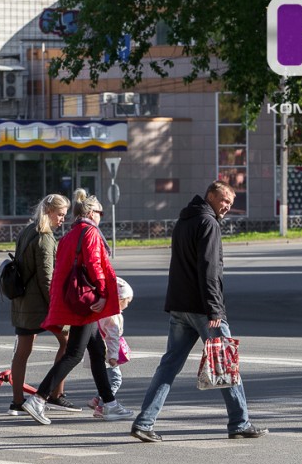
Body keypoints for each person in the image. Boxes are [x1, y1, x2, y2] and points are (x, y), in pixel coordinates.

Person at [130, 181, 268, 442]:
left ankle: (144, 422)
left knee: (169, 365)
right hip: (204, 309)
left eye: (230, 203)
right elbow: (209, 270)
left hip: (180, 306)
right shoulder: (208, 223)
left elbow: (180, 265)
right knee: (226, 363)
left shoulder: (184, 220)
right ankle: (240, 422)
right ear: (211, 196)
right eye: (225, 200)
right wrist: (215, 309)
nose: (227, 207)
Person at [22, 189, 134, 425]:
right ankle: (38, 399)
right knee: (74, 354)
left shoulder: (71, 233)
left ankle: (109, 404)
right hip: (87, 302)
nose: (101, 216)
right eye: (100, 212)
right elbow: (94, 264)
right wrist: (103, 293)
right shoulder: (90, 232)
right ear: (92, 212)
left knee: (97, 353)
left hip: (74, 300)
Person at [8, 194, 80, 416]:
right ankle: (56, 394)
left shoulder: (27, 231)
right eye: (60, 214)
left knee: (22, 352)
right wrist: (57, 307)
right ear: (49, 212)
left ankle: (18, 401)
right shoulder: (45, 237)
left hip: (22, 302)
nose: (62, 219)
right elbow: (47, 278)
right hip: (40, 305)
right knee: (69, 345)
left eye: (65, 215)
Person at [89, 277, 133, 415]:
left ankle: (97, 399)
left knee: (106, 378)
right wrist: (113, 356)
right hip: (108, 353)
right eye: (128, 301)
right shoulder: (114, 316)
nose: (128, 304)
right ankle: (102, 407)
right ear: (120, 300)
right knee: (115, 380)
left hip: (101, 350)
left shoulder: (103, 312)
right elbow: (112, 337)